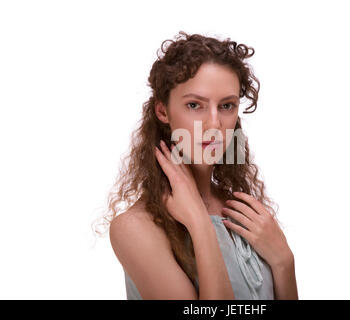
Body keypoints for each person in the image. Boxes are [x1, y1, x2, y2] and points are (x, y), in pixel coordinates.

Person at [94, 31, 298, 300]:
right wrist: (199, 224)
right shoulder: (135, 227)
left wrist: (284, 262)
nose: (214, 124)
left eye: (226, 105)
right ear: (163, 111)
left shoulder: (246, 212)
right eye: (194, 105)